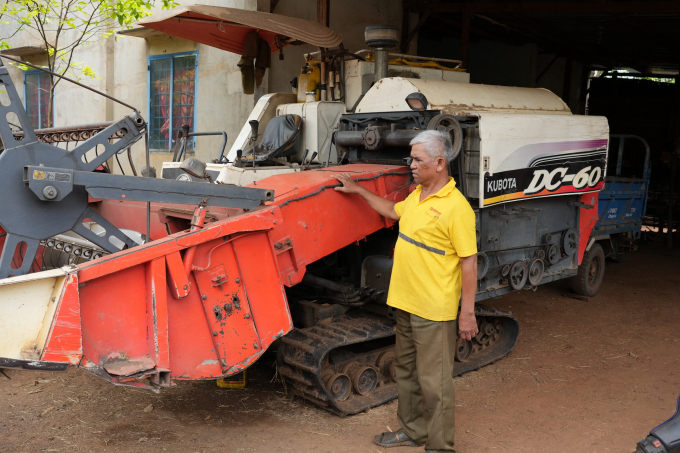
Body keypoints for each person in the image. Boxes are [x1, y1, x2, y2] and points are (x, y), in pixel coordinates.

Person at [334, 130, 478, 453]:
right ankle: (413, 431)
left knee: (435, 383)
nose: (410, 165)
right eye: (411, 158)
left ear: (440, 163)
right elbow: (391, 210)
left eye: (417, 160)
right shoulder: (418, 196)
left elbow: (469, 264)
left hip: (433, 310)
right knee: (407, 373)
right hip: (406, 304)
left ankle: (440, 447)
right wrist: (357, 190)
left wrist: (466, 313)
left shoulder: (457, 209)